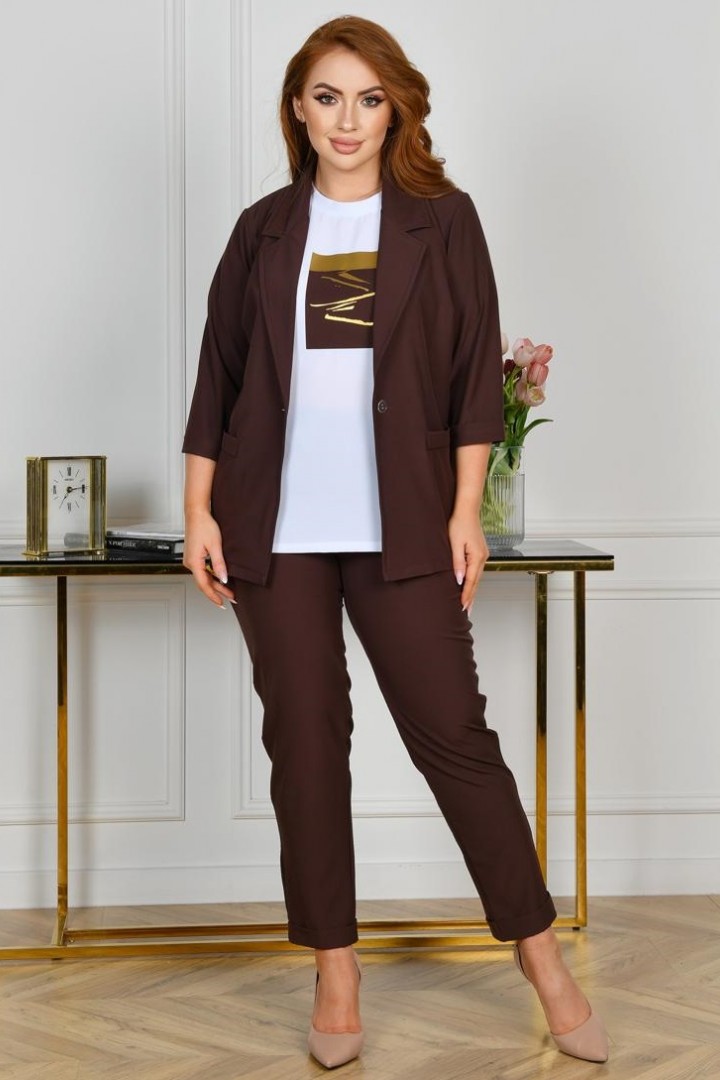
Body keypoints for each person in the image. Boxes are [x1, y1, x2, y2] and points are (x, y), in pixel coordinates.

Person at [181, 14, 609, 1070]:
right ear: (298, 107)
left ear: (396, 110)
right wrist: (200, 512)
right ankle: (336, 970)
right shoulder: (261, 230)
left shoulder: (442, 222)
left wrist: (466, 511)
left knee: (454, 737)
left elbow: (471, 376)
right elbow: (218, 379)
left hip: (405, 523)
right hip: (275, 530)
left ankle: (542, 956)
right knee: (306, 745)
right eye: (328, 97)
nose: (348, 120)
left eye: (368, 100)